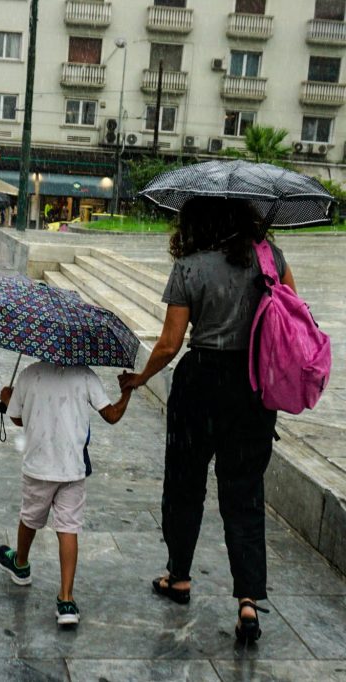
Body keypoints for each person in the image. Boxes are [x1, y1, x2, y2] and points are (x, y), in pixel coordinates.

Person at [118, 196, 296, 644]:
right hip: (253, 387)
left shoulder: (189, 267)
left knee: (184, 484)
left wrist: (140, 378)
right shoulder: (271, 259)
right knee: (244, 493)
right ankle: (248, 601)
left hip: (199, 384)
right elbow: (291, 316)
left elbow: (169, 343)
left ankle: (179, 576)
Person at [0, 361, 134, 627]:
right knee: (69, 529)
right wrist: (127, 392)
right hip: (72, 469)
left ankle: (21, 564)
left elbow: (18, 418)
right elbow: (112, 415)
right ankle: (67, 600)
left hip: (38, 466)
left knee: (29, 518)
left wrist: (7, 399)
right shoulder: (85, 375)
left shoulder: (29, 374)